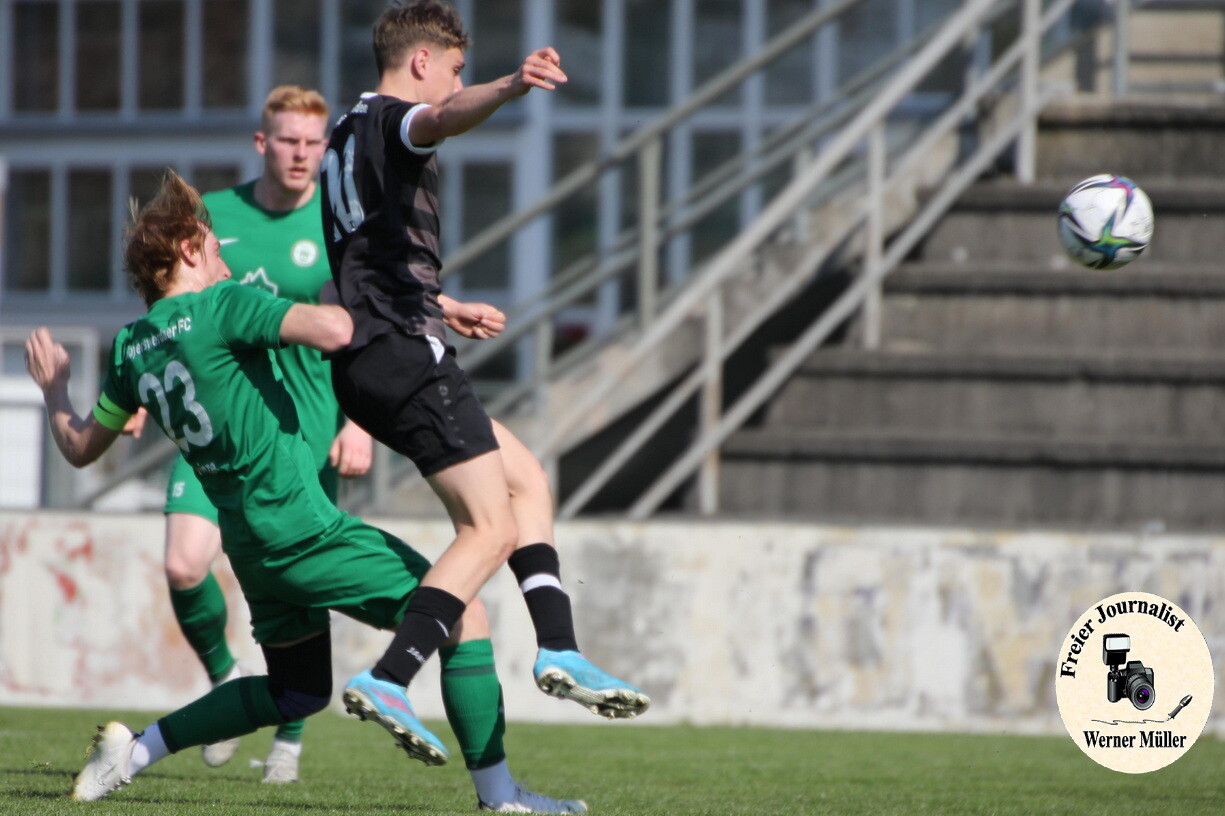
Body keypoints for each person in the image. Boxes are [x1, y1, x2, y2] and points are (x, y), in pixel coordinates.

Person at [31, 171, 585, 812]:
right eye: (213, 247)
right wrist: (423, 307)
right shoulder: (222, 304)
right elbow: (336, 329)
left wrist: (55, 390)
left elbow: (79, 447)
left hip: (248, 544)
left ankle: (131, 753)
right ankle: (500, 797)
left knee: (296, 691)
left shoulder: (131, 348)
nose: (225, 260)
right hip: (300, 527)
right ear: (187, 250)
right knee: (462, 613)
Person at [321, 1, 648, 757]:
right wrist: (509, 87)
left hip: (373, 354)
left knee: (525, 479)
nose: (455, 81)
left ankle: (559, 647)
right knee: (488, 528)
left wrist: (443, 303)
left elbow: (365, 263)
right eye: (454, 68)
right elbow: (438, 119)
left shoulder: (344, 132)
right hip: (404, 355)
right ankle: (390, 676)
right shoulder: (395, 119)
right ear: (421, 62)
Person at [157, 85, 372, 784]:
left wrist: (358, 421)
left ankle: (290, 735)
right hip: (220, 431)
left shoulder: (338, 220)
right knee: (184, 564)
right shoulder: (213, 215)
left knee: (298, 581)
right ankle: (226, 678)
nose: (301, 154)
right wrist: (134, 391)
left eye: (313, 142)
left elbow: (364, 326)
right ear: (262, 143)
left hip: (304, 429)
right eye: (288, 140)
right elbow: (166, 306)